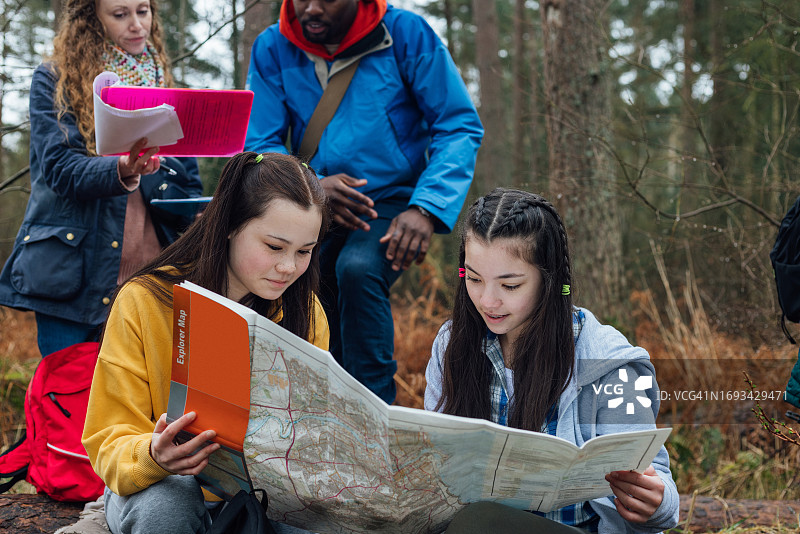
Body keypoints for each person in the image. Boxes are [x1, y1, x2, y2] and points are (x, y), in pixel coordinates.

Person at [244, 0, 484, 404]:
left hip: (392, 198)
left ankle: (376, 412)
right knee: (307, 280)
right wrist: (311, 184)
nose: (311, 9)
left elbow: (457, 125)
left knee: (357, 269)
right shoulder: (273, 47)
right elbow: (259, 143)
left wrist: (425, 208)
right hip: (311, 198)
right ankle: (313, 411)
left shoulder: (406, 34)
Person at [82, 152, 329, 534]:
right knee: (167, 506)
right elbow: (106, 436)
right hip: (157, 483)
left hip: (263, 492)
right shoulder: (145, 300)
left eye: (305, 251)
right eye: (274, 247)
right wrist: (153, 454)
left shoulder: (305, 311)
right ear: (229, 225)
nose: (288, 267)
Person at [425, 188, 680, 533]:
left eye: (510, 285)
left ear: (549, 281)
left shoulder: (612, 365)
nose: (487, 300)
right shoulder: (451, 345)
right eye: (473, 279)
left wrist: (657, 503)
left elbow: (658, 487)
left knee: (481, 521)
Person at [0, 0, 202, 358]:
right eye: (120, 14)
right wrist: (122, 167)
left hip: (153, 277)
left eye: (143, 10)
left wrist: (199, 214)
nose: (137, 24)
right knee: (72, 402)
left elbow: (188, 181)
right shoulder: (55, 78)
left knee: (146, 405)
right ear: (91, 19)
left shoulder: (163, 82)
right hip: (75, 279)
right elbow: (60, 169)